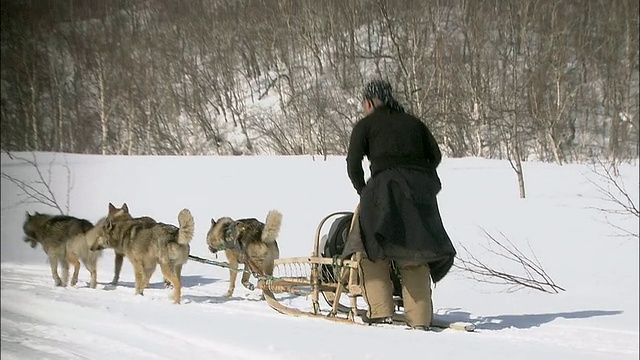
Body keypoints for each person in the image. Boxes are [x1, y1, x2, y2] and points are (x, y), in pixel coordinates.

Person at [343, 79, 456, 330]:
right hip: (421, 194)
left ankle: (380, 311)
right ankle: (419, 319)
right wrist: (416, 174)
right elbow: (435, 156)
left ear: (370, 102)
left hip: (384, 191)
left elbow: (353, 163)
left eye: (364, 103)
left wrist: (364, 190)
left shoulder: (366, 125)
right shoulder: (414, 123)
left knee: (371, 250)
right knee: (415, 254)